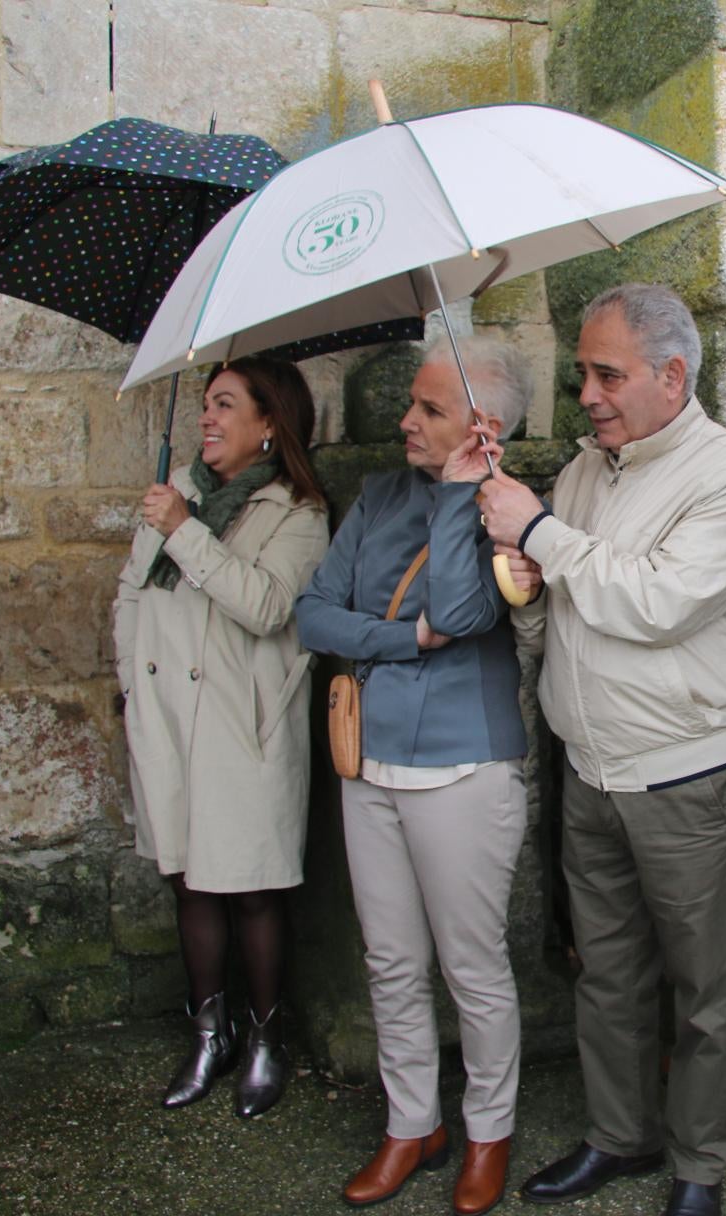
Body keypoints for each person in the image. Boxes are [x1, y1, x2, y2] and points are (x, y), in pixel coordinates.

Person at [476, 283, 726, 1216]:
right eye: (584, 376)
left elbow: (656, 604)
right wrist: (529, 588)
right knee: (604, 973)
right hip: (588, 767)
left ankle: (699, 1165)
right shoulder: (580, 473)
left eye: (608, 375)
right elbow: (566, 612)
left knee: (699, 988)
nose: (590, 395)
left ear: (671, 374)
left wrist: (536, 531)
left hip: (687, 772)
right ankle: (619, 1134)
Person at [295, 338, 541, 1216]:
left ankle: (487, 1131)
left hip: (464, 767)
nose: (405, 420)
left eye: (430, 410)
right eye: (412, 401)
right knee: (391, 960)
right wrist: (403, 642)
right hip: (368, 762)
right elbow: (313, 612)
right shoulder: (374, 495)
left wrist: (456, 496)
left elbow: (469, 610)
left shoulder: (507, 511)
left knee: (472, 967)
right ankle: (411, 1124)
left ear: (482, 426)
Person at [112, 355, 329, 1119]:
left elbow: (266, 605)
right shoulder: (180, 489)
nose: (206, 417)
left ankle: (267, 1037)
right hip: (167, 718)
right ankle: (210, 1031)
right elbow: (132, 591)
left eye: (225, 404)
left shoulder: (297, 512)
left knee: (253, 890)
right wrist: (132, 685)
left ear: (268, 424)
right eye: (205, 403)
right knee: (188, 879)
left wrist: (184, 533)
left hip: (243, 727)